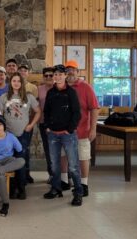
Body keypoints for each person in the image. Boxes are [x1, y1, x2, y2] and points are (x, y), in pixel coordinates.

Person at [43, 64, 83, 206]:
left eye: (60, 74)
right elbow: (46, 111)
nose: (57, 77)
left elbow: (77, 113)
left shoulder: (71, 92)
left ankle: (78, 192)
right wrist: (47, 126)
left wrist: (70, 129)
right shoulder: (50, 93)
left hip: (68, 135)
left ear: (65, 76)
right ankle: (56, 188)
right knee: (54, 165)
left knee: (73, 166)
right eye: (55, 75)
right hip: (53, 134)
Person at [0, 72, 41, 200]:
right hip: (8, 135)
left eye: (18, 81)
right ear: (10, 83)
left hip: (23, 134)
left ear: (22, 83)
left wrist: (31, 124)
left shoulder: (28, 97)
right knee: (9, 161)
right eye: (14, 81)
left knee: (20, 161)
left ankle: (21, 188)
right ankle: (11, 188)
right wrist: (2, 130)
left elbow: (38, 111)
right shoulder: (4, 97)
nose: (16, 83)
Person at [60, 60, 100, 196]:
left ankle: (84, 184)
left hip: (82, 131)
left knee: (83, 157)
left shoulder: (85, 87)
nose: (70, 72)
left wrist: (93, 129)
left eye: (73, 70)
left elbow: (94, 108)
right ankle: (64, 181)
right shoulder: (60, 87)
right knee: (63, 155)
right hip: (63, 131)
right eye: (67, 70)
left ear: (78, 72)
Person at [17, 63, 38, 183]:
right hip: (16, 123)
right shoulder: (13, 86)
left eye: (25, 71)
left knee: (26, 149)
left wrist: (31, 123)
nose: (23, 73)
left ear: (28, 73)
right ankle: (19, 174)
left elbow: (35, 108)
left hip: (28, 123)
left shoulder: (33, 88)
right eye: (20, 71)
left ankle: (26, 172)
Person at [37, 67, 55, 182]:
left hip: (58, 124)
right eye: (46, 75)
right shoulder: (39, 89)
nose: (48, 77)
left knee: (60, 150)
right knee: (48, 149)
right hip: (43, 123)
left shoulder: (59, 87)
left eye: (51, 75)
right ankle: (51, 174)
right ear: (43, 77)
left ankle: (64, 174)